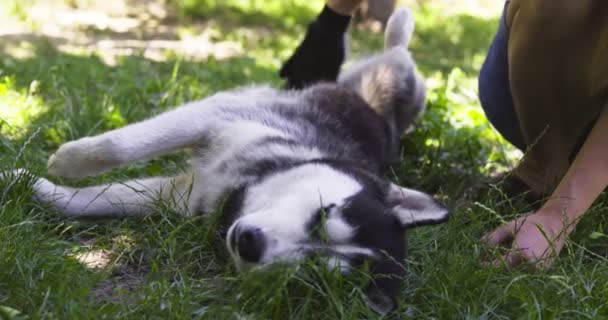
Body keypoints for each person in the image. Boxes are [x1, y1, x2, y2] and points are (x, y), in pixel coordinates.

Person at [279, 0, 608, 269]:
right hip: (538, 87)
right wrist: (333, 20)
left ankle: (570, 184)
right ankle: (539, 173)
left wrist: (559, 213)